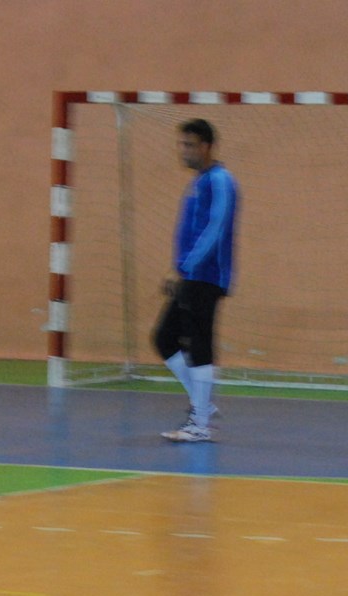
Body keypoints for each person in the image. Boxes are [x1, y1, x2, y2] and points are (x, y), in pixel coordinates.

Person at [154, 118, 238, 443]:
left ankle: (200, 424)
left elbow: (215, 229)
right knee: (164, 338)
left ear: (206, 147)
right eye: (181, 144)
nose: (183, 150)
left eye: (189, 145)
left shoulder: (220, 181)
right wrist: (180, 269)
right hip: (190, 275)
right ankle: (202, 405)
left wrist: (183, 267)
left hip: (207, 275)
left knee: (200, 343)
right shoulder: (199, 182)